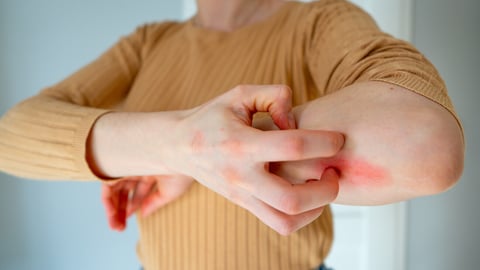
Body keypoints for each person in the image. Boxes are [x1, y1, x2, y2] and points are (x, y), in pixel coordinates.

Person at [0, 0, 464, 269]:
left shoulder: (320, 22)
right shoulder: (148, 42)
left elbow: (424, 142)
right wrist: (179, 151)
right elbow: (12, 137)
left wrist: (195, 157)